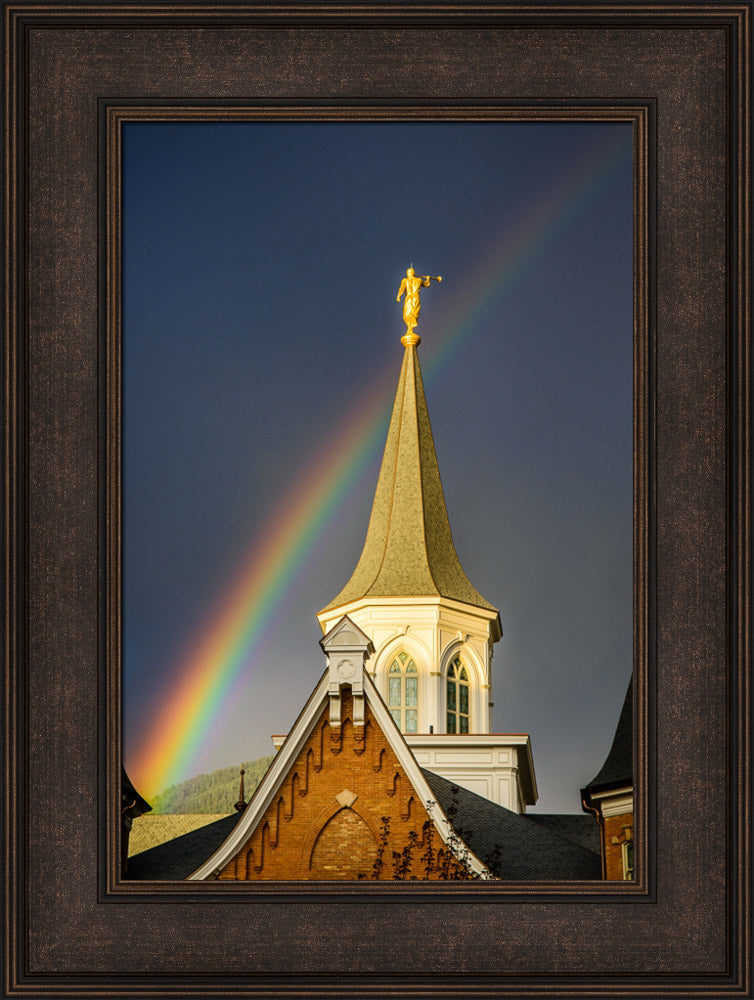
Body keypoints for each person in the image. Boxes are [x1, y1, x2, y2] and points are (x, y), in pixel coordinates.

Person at [396, 267, 441, 337]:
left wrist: (398, 296)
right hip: (416, 297)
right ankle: (410, 328)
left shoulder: (405, 280)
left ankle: (410, 328)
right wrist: (428, 279)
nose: (408, 274)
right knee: (413, 312)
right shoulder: (418, 280)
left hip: (409, 297)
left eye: (408, 272)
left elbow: (402, 288)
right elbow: (426, 284)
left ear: (409, 273)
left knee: (408, 313)